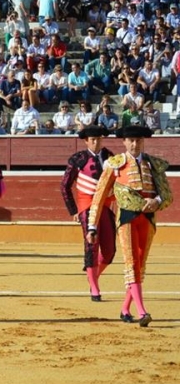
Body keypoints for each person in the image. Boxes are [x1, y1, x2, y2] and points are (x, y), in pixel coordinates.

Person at [86, 125, 173, 327]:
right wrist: (92, 226)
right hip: (126, 218)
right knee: (131, 262)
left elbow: (167, 195)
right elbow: (99, 197)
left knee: (140, 264)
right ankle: (142, 312)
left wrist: (156, 201)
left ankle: (125, 308)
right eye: (131, 140)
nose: (135, 144)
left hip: (148, 219)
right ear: (124, 142)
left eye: (138, 140)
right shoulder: (115, 164)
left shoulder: (153, 164)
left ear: (143, 141)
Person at [60, 126, 117, 302]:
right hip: (87, 206)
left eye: (99, 139)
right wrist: (74, 210)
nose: (96, 142)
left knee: (109, 251)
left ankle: (93, 276)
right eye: (92, 139)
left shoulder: (110, 157)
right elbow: (65, 186)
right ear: (86, 141)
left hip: (106, 206)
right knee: (91, 245)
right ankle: (94, 287)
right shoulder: (78, 159)